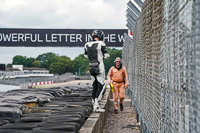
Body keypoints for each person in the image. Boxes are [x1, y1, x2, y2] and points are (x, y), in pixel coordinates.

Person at [84, 29, 110, 112]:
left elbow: (86, 56)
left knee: (94, 85)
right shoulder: (101, 43)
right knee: (101, 85)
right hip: (99, 66)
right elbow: (106, 55)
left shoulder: (87, 44)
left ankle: (94, 103)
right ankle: (96, 105)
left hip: (91, 66)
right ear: (100, 36)